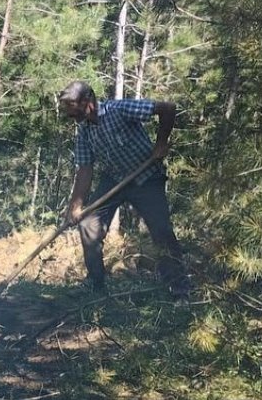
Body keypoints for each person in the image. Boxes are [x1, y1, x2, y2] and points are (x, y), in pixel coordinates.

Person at [57, 80, 189, 297]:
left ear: (88, 101)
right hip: (114, 180)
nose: (70, 115)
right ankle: (96, 285)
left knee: (161, 231)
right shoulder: (84, 132)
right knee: (88, 225)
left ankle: (179, 287)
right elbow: (85, 169)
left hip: (146, 178)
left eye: (72, 108)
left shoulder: (120, 109)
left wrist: (161, 142)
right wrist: (75, 206)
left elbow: (167, 108)